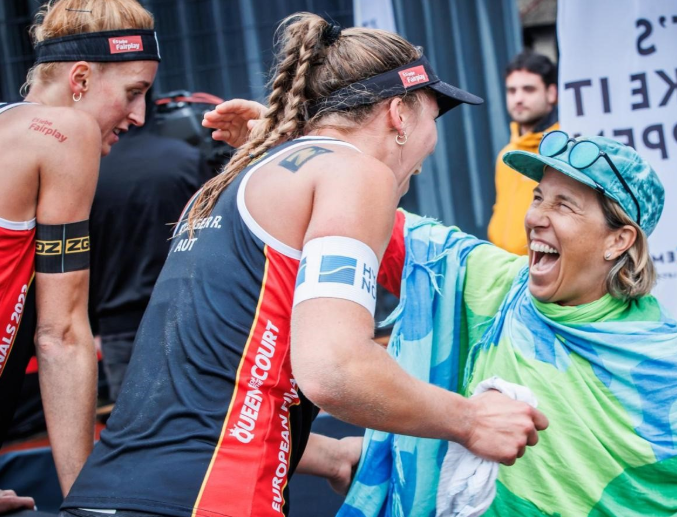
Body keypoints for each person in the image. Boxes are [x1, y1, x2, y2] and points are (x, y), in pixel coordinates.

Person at [61, 13, 546, 517]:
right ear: (399, 114)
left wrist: (334, 456)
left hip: (114, 491)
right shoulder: (355, 172)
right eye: (433, 116)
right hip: (211, 498)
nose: (427, 151)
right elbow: (335, 369)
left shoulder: (239, 179)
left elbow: (209, 395)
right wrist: (470, 421)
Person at [340, 132, 677, 516]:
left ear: (618, 240)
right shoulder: (498, 286)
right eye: (539, 197)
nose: (535, 217)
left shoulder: (675, 368)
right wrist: (307, 151)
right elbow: (371, 222)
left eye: (564, 205)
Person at [0, 0, 159, 508]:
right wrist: (88, 501)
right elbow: (61, 334)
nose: (138, 116)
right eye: (134, 93)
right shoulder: (67, 134)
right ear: (82, 78)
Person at [89, 90, 214, 402]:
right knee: (206, 418)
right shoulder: (184, 158)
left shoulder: (87, 168)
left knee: (137, 428)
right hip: (189, 314)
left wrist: (90, 326)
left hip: (118, 326)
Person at [487, 51, 558, 255]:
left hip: (543, 269)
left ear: (551, 93)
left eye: (528, 89)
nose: (518, 98)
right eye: (512, 90)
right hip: (504, 269)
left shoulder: (563, 152)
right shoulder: (506, 155)